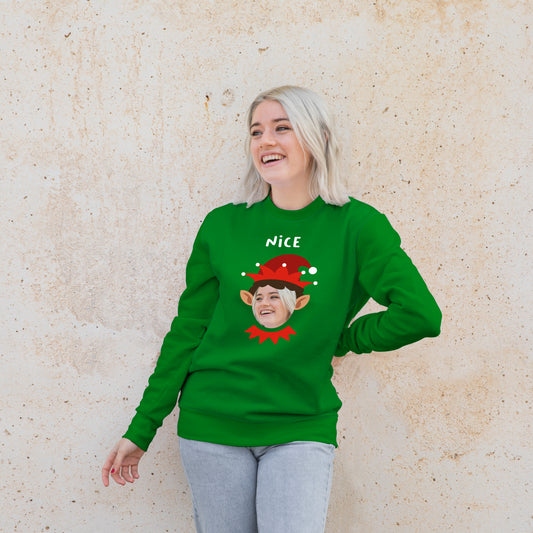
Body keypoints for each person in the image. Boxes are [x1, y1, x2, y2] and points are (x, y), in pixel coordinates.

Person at [101, 85, 442, 532]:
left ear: (317, 137)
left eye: (282, 128)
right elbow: (188, 332)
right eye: (256, 131)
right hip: (212, 425)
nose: (266, 141)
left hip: (300, 425)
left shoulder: (358, 226)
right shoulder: (222, 225)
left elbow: (420, 315)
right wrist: (142, 427)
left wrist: (344, 339)